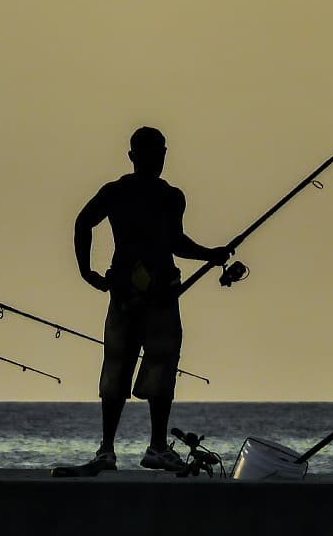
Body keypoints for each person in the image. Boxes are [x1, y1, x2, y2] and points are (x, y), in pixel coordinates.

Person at [74, 126, 232, 471]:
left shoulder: (169, 197)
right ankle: (111, 448)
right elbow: (83, 223)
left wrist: (210, 254)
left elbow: (175, 241)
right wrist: (86, 272)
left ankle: (150, 447)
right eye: (150, 153)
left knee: (158, 365)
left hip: (159, 292)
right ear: (132, 156)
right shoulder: (119, 192)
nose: (156, 160)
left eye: (160, 153)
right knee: (120, 366)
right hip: (131, 294)